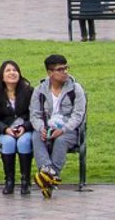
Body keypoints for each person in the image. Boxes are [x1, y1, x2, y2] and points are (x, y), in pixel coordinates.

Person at [29, 53, 85, 199]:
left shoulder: (75, 89)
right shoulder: (39, 90)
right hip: (47, 128)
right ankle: (49, 173)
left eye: (66, 68)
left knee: (61, 140)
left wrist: (63, 129)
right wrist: (41, 129)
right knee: (35, 136)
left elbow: (78, 115)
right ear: (50, 73)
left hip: (68, 131)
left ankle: (48, 177)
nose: (65, 72)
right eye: (60, 69)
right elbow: (34, 115)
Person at [0, 59, 34, 195]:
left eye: (15, 70)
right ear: (2, 76)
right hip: (6, 130)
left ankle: (25, 181)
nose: (12, 73)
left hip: (25, 129)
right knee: (8, 142)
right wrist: (5, 129)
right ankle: (9, 181)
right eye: (8, 70)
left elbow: (35, 115)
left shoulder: (29, 92)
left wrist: (25, 127)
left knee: (24, 141)